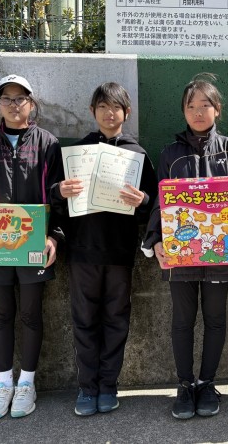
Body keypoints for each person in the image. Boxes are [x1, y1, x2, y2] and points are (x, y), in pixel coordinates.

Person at [141, 73, 228, 419]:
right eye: (191, 106)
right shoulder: (170, 154)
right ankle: (184, 385)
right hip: (180, 252)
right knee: (182, 320)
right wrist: (155, 241)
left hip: (220, 250)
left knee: (215, 318)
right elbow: (160, 204)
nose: (198, 112)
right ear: (183, 111)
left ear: (217, 109)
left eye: (205, 105)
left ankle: (207, 384)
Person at [0, 75, 63, 420]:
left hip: (33, 244)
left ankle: (27, 384)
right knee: (2, 315)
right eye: (7, 99)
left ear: (31, 104)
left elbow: (58, 196)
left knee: (31, 314)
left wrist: (54, 236)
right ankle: (3, 384)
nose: (14, 105)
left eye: (21, 99)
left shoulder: (48, 143)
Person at [53, 82, 158, 416]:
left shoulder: (137, 154)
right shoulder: (77, 152)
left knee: (116, 320)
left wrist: (143, 200)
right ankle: (87, 388)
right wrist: (58, 191)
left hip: (119, 252)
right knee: (84, 320)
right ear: (92, 111)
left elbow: (155, 205)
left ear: (127, 112)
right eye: (102, 107)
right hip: (82, 251)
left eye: (115, 107)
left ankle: (109, 386)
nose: (109, 113)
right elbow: (55, 201)